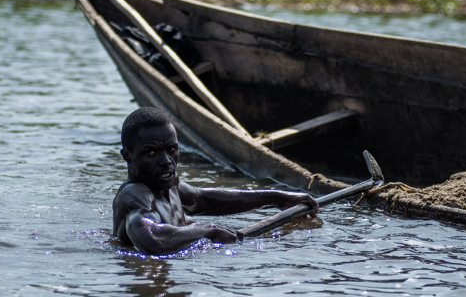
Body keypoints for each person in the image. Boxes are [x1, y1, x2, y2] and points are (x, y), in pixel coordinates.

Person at [112, 107, 318, 254]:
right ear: (127, 156)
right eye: (151, 152)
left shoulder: (169, 184)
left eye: (172, 149)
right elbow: (152, 239)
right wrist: (208, 230)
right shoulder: (134, 195)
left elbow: (203, 200)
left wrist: (278, 198)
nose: (166, 161)